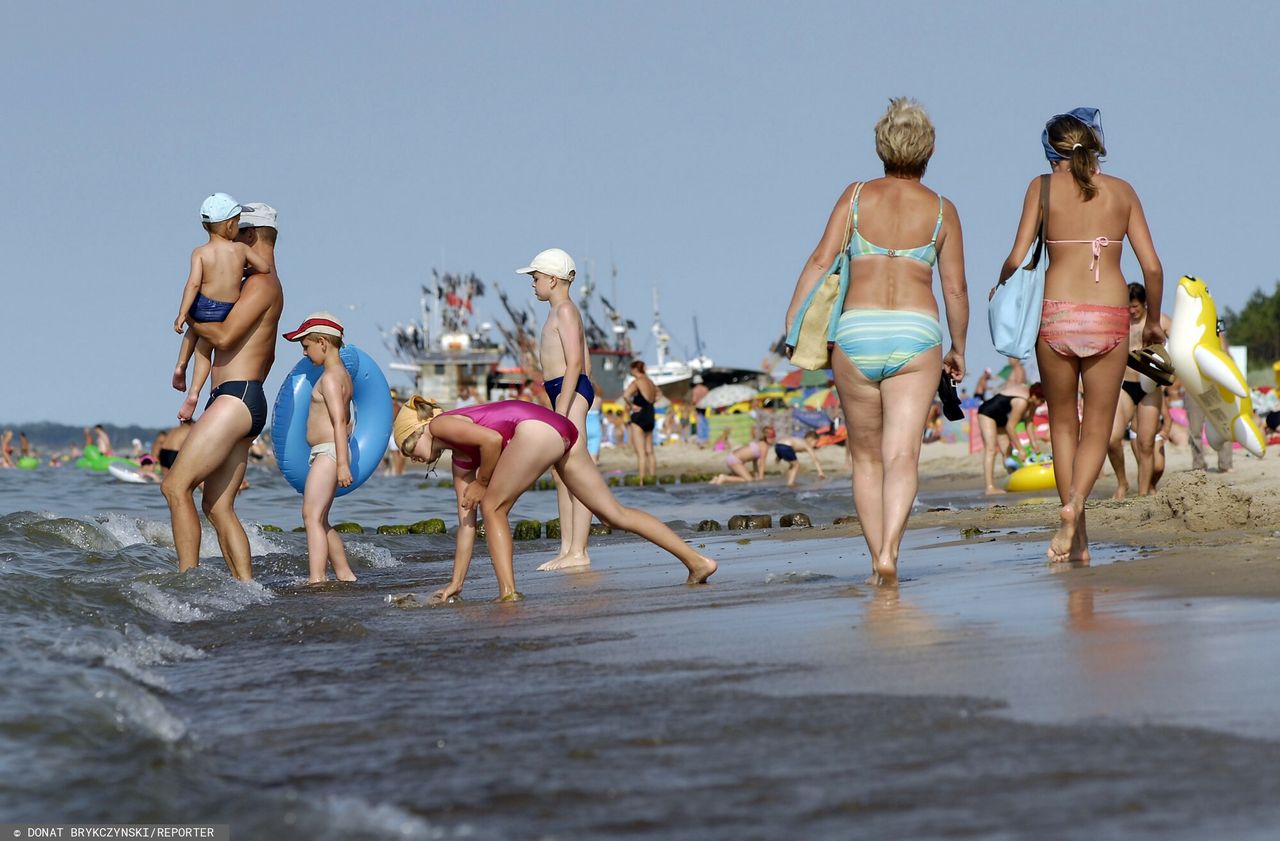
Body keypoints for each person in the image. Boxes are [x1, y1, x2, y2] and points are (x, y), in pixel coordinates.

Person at [784, 98, 968, 585]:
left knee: (864, 458)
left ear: (880, 146)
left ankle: (875, 559)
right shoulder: (943, 210)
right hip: (917, 332)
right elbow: (954, 288)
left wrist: (793, 322)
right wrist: (959, 348)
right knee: (902, 456)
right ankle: (891, 551)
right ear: (929, 151)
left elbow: (822, 260)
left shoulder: (856, 195)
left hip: (857, 330)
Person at [993, 108, 1164, 563]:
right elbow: (1152, 267)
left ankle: (1071, 518)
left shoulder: (1042, 187)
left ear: (1052, 153)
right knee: (1097, 427)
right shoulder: (1122, 191)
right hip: (1109, 316)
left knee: (1064, 424)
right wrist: (1151, 321)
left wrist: (1001, 283)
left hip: (1057, 316)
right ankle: (1076, 524)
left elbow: (1017, 254)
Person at [392, 397, 717, 603]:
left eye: (408, 449)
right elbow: (466, 524)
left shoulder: (440, 424)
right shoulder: (459, 458)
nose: (411, 459)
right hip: (560, 430)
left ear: (419, 430)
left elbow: (491, 440)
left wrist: (482, 481)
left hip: (534, 430)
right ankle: (697, 562)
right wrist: (455, 582)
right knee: (612, 514)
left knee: (493, 506)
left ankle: (508, 593)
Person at [162, 202, 284, 581]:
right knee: (216, 506)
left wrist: (190, 312)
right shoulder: (257, 282)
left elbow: (226, 335)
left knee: (174, 486)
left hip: (237, 398)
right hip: (240, 398)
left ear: (246, 234)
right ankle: (247, 589)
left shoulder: (261, 284)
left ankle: (189, 582)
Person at [520, 247, 594, 572]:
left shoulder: (565, 310)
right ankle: (567, 547)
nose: (532, 284)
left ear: (552, 279)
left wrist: (561, 411)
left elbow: (575, 361)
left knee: (577, 469)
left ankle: (580, 550)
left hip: (571, 389)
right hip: (560, 390)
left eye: (535, 278)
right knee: (561, 472)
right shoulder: (556, 311)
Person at [171, 193, 273, 422]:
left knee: (193, 331)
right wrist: (242, 272)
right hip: (225, 309)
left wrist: (182, 313)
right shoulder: (240, 250)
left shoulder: (200, 253)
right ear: (230, 225)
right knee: (205, 351)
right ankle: (194, 393)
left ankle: (180, 366)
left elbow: (193, 284)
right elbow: (264, 268)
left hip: (202, 304)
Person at [283, 312, 357, 584]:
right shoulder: (342, 375)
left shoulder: (329, 378)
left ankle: (317, 579)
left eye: (306, 346)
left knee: (310, 516)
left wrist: (341, 464)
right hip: (327, 452)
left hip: (329, 453)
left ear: (323, 343)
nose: (304, 353)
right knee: (321, 519)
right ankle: (345, 574)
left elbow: (340, 420)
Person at [1107, 283, 1173, 498]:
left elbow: (1181, 340)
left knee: (1145, 443)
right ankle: (1122, 482)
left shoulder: (1159, 321)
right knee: (1112, 438)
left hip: (1150, 387)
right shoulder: (1119, 321)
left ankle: (1143, 493)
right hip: (1125, 385)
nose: (1132, 311)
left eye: (1135, 306)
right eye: (1128, 307)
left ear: (1144, 303)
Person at [977, 382, 1047, 494]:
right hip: (987, 413)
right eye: (1042, 400)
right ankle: (989, 487)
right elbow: (1010, 427)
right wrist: (1020, 449)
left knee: (1007, 452)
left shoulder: (1033, 403)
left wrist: (1034, 444)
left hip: (1001, 417)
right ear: (1034, 396)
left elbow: (1029, 423)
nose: (1042, 403)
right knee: (991, 450)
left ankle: (1012, 481)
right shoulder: (1022, 401)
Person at [1185, 318, 1234, 472]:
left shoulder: (1217, 333)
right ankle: (1199, 464)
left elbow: (1227, 357)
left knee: (1223, 425)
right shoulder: (1188, 334)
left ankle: (1225, 464)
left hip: (1214, 386)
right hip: (1194, 384)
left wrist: (1219, 335)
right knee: (1195, 429)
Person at [623, 360, 658, 479]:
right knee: (650, 450)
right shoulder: (650, 382)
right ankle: (652, 478)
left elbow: (626, 395)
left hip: (639, 415)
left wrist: (632, 405)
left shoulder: (637, 382)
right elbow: (659, 395)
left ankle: (642, 480)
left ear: (635, 369)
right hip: (650, 413)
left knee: (641, 452)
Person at [710, 426, 774, 484]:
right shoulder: (764, 447)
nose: (774, 440)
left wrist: (757, 477)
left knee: (745, 479)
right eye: (773, 437)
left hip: (731, 457)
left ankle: (716, 479)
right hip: (735, 460)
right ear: (768, 438)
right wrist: (761, 480)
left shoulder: (759, 444)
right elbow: (761, 465)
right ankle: (724, 478)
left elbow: (755, 463)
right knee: (749, 480)